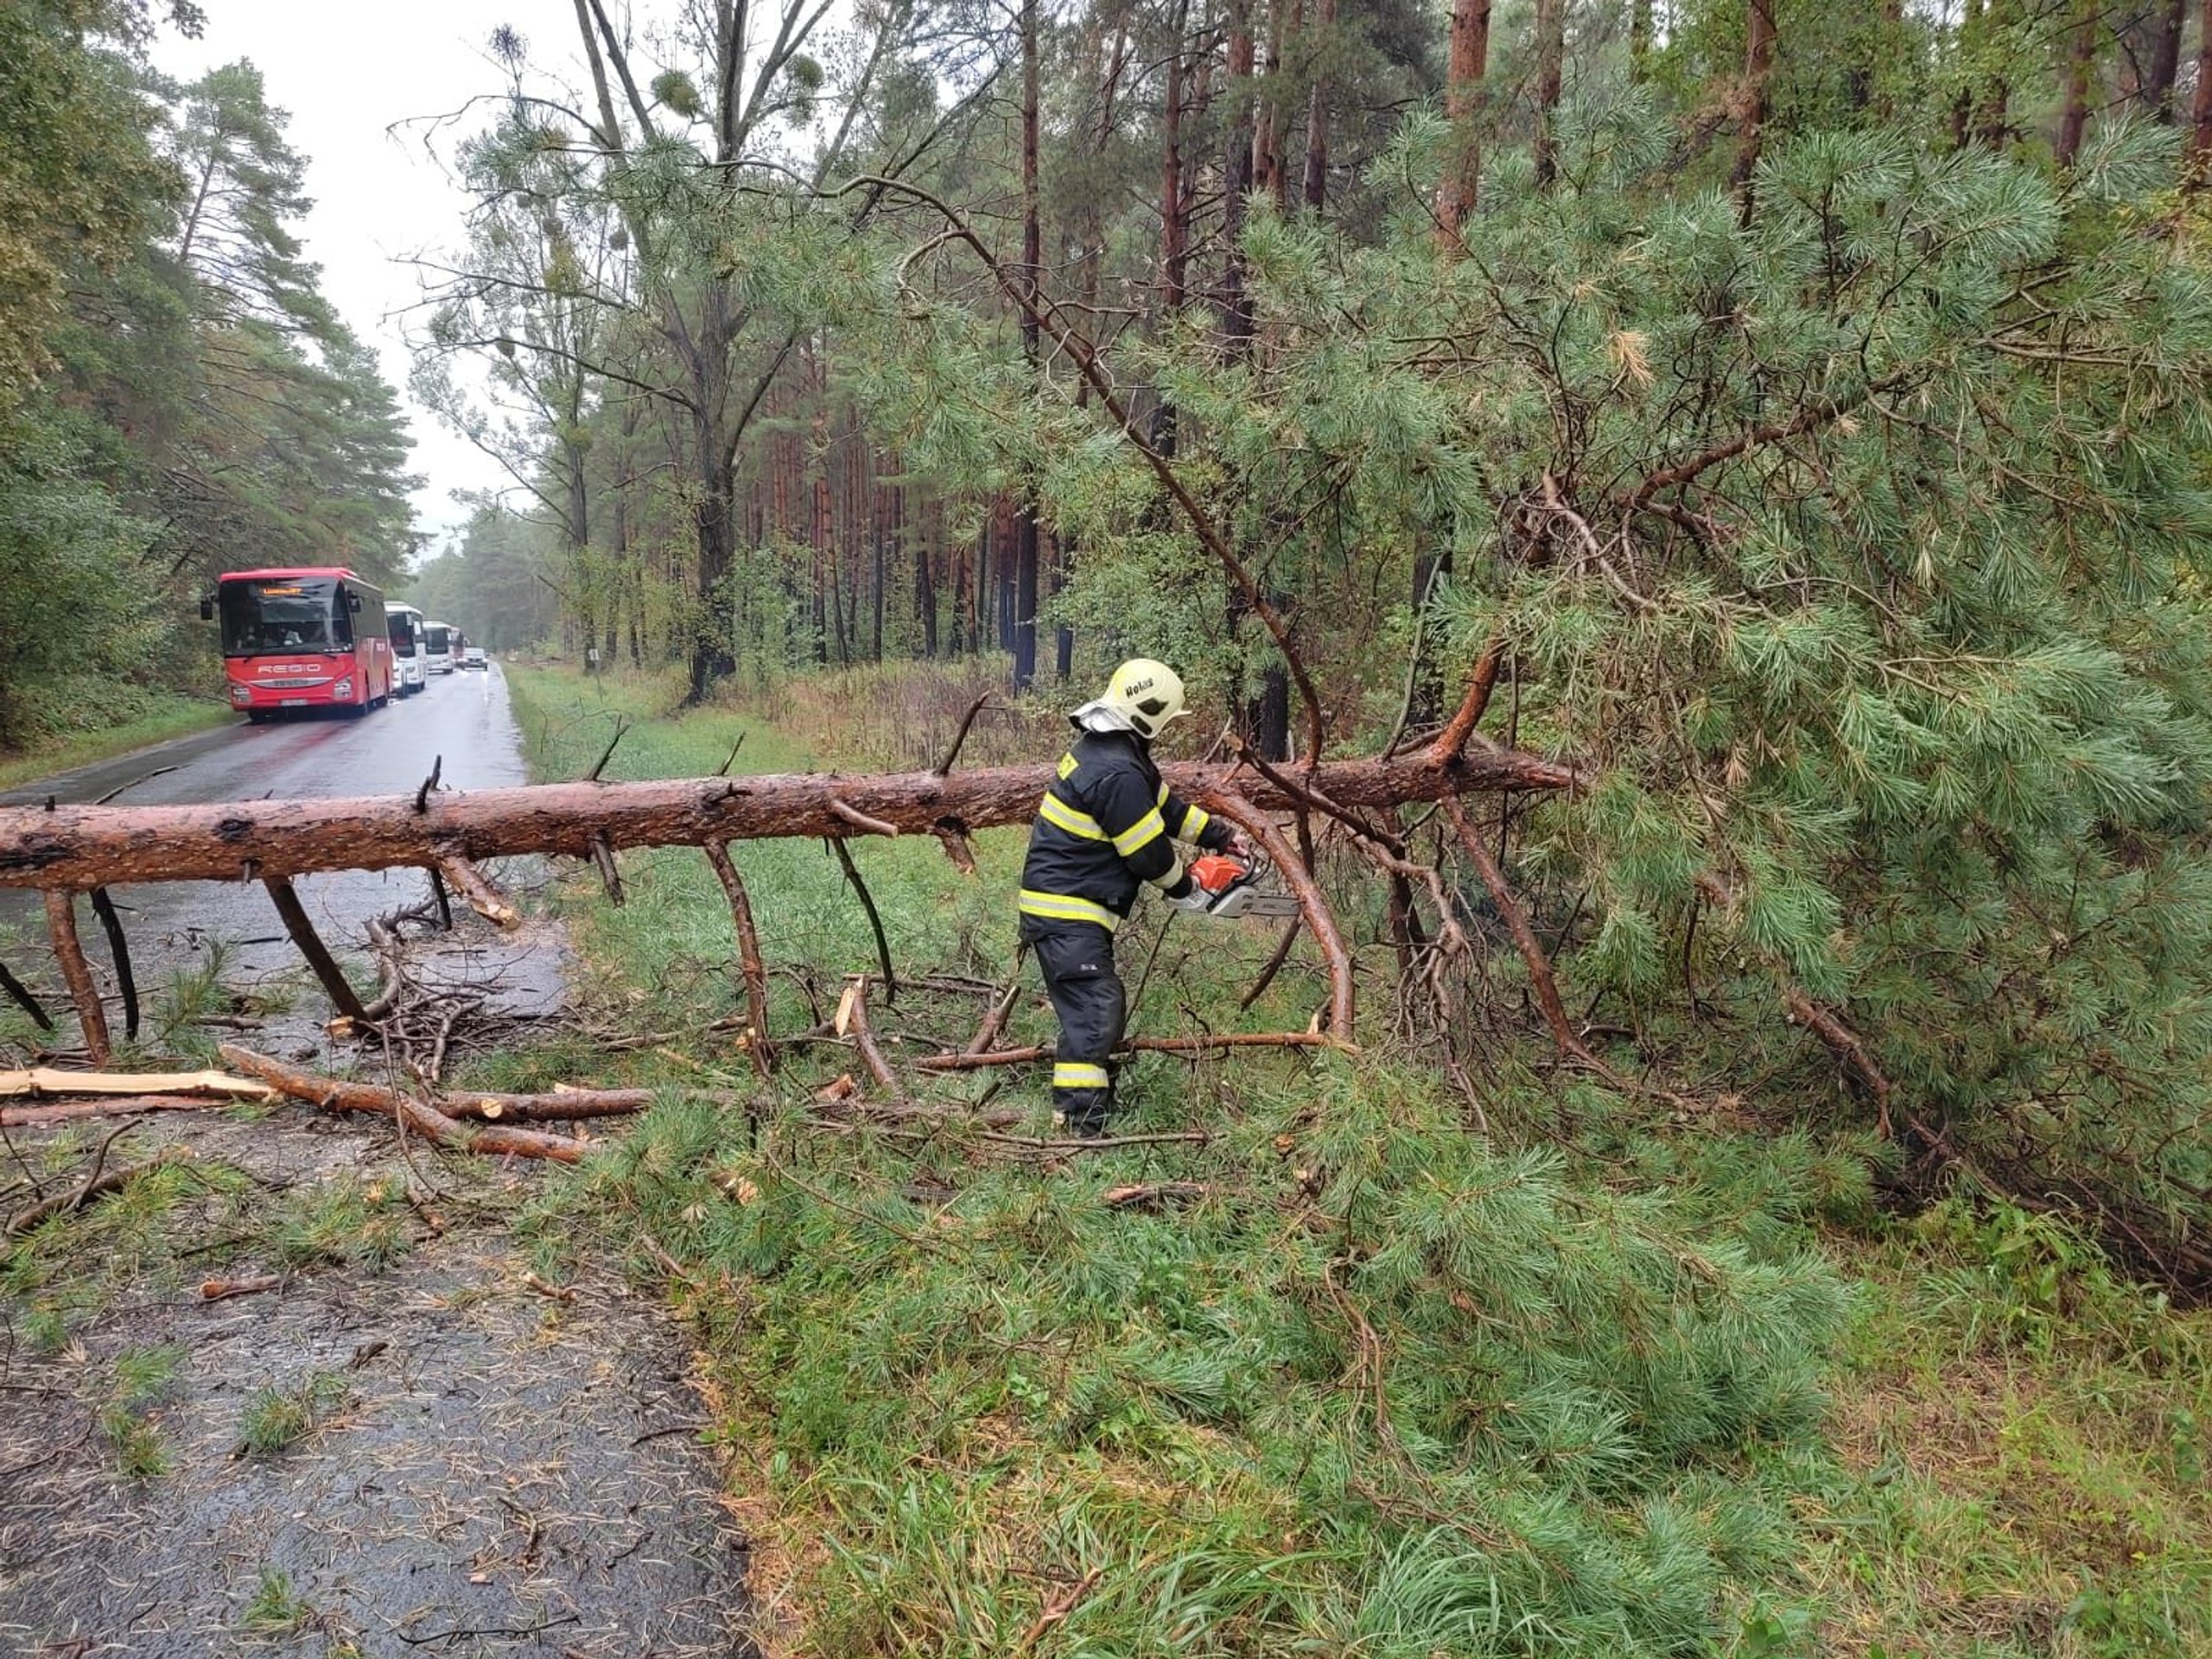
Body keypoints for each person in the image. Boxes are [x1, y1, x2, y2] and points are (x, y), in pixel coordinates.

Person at [1017, 659, 1243, 1136]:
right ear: (1152, 713)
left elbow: (1167, 809)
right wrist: (1188, 888)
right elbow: (1147, 854)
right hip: (1065, 912)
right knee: (1095, 1010)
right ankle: (1079, 1124)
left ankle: (1091, 1101)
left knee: (1100, 1005)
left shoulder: (1117, 753)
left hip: (1070, 908)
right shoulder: (1116, 771)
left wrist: (1219, 838)